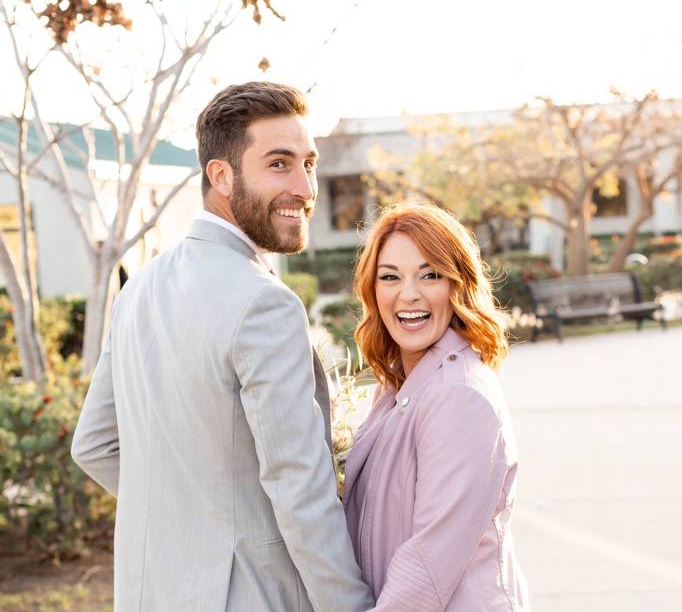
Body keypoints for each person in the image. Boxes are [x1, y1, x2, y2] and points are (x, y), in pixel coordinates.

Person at [71, 82, 373, 611]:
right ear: (221, 175)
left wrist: (191, 519)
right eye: (279, 164)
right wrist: (351, 606)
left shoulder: (140, 287)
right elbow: (298, 484)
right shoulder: (264, 303)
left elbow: (93, 446)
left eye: (309, 162)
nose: (305, 187)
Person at [344, 202, 529, 611]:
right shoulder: (397, 385)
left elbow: (429, 562)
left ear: (457, 284)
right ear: (373, 291)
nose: (408, 294)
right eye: (390, 277)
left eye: (430, 275)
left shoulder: (459, 395)